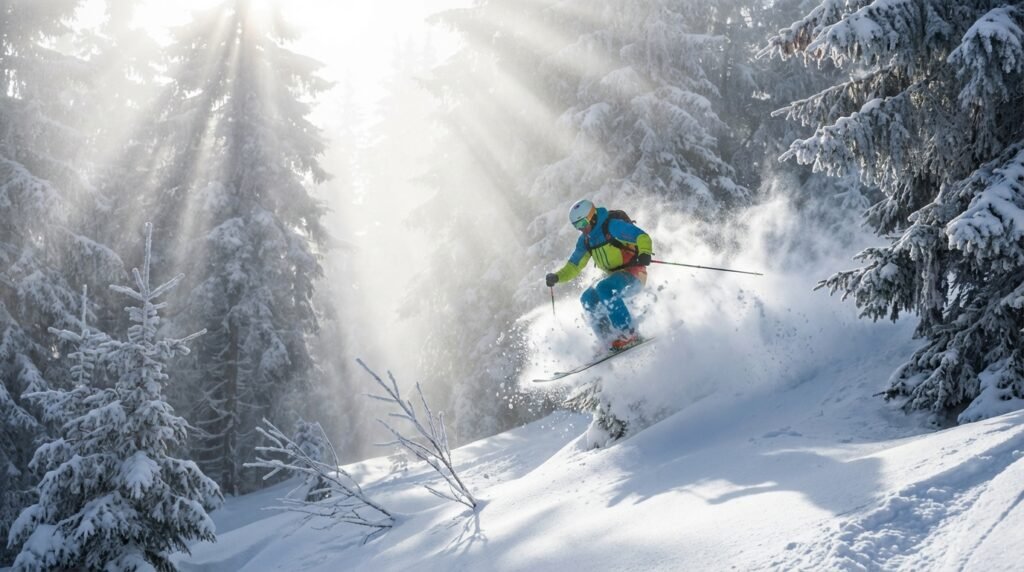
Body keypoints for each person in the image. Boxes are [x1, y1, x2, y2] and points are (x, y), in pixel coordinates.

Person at [546, 198, 653, 351]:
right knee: (587, 297)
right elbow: (574, 266)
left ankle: (629, 334)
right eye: (576, 226)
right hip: (613, 276)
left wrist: (645, 253)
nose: (581, 229)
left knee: (604, 288)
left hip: (634, 273)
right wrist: (557, 277)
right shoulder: (586, 240)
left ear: (592, 216)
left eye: (582, 223)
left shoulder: (612, 227)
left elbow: (641, 237)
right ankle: (609, 339)